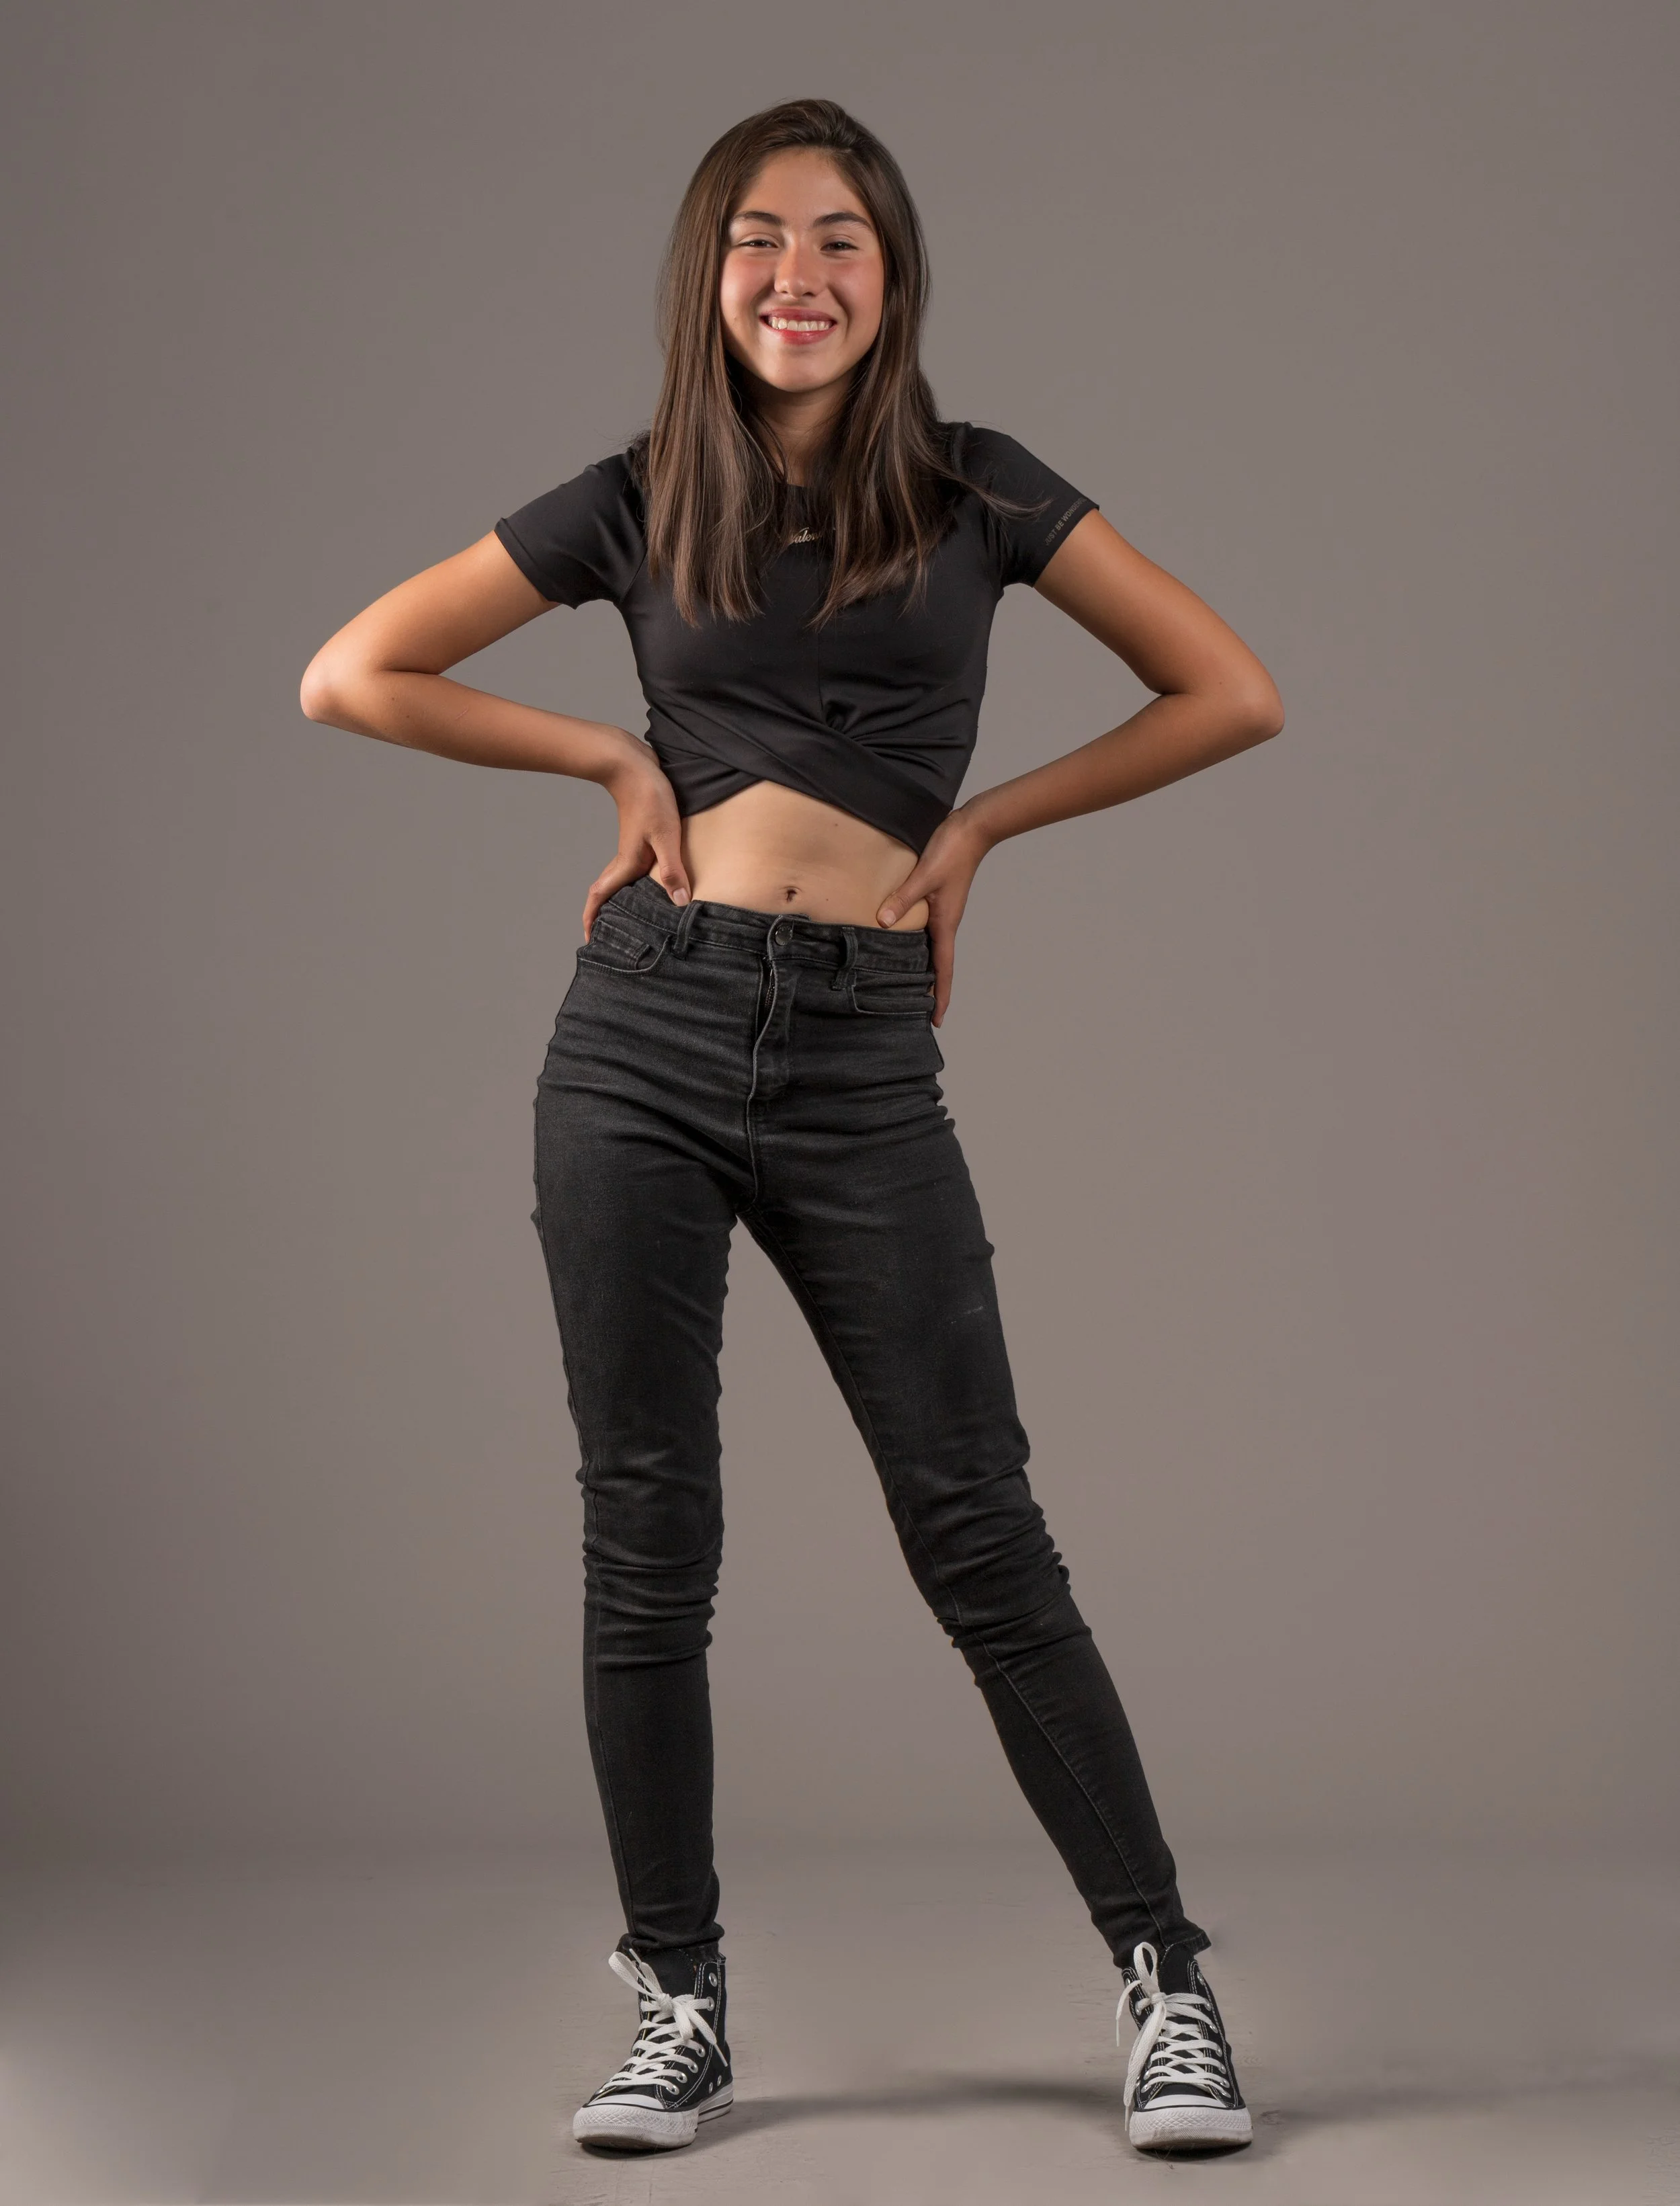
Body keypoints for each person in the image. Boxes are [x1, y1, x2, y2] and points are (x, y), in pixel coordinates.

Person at [300, 96, 1282, 2162]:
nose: (796, 274)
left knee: (978, 1529)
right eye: (756, 238)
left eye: (837, 237)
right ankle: (678, 2005)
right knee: (647, 1535)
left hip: (857, 1058)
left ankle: (1166, 1985)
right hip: (641, 1036)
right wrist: (601, 759)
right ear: (707, 273)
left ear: (889, 275)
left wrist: (983, 828)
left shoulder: (982, 488)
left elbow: (1227, 690)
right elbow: (352, 673)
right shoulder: (639, 495)